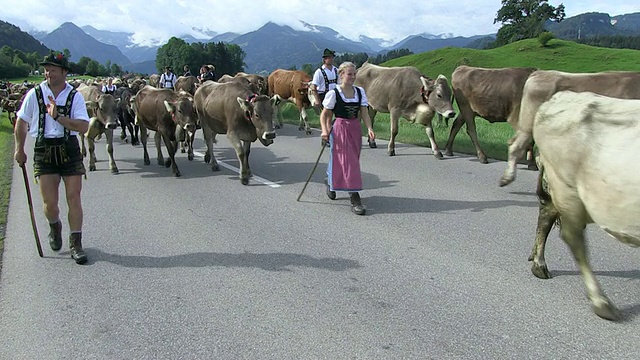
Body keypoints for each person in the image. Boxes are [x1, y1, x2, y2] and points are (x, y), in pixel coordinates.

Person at [14, 51, 91, 264]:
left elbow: (83, 126)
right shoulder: (34, 94)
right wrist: (19, 149)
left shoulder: (74, 96)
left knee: (73, 196)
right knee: (50, 203)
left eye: (53, 69)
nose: (48, 73)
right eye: (46, 69)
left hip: (68, 148)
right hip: (43, 149)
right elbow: (21, 121)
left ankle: (76, 243)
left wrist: (58, 117)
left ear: (64, 72)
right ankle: (54, 226)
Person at [320, 62, 375, 216]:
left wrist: (369, 128)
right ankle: (354, 197)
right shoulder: (334, 93)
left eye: (354, 74)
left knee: (349, 160)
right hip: (340, 128)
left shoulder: (360, 92)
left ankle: (330, 181)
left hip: (355, 128)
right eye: (349, 74)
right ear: (342, 74)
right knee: (348, 161)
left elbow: (364, 112)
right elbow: (325, 114)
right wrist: (324, 131)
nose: (352, 77)